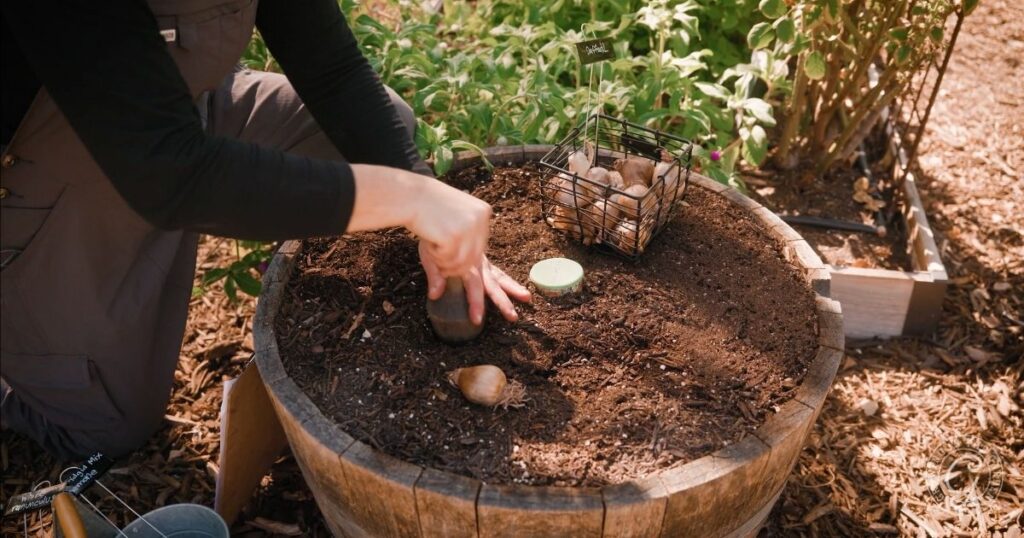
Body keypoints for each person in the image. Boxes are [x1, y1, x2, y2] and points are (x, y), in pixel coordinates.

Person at [0, 0, 531, 461]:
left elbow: (332, 69)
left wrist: (418, 193)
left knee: (371, 138)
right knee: (108, 424)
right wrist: (410, 200)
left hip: (172, 114)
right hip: (60, 155)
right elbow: (167, 176)